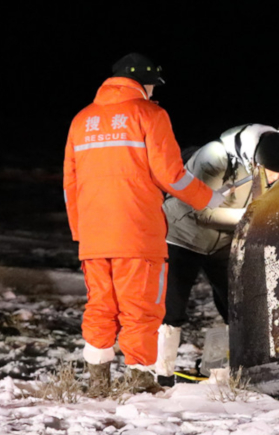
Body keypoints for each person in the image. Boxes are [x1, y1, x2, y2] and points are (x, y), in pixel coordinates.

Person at [63, 52, 224, 395]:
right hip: (137, 232)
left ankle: (98, 384)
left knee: (100, 307)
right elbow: (172, 176)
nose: (154, 90)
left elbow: (69, 184)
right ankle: (138, 382)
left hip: (94, 236)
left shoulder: (82, 120)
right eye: (153, 85)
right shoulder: (150, 114)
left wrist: (81, 232)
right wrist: (209, 199)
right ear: (144, 83)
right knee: (140, 308)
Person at [157, 125, 279, 384]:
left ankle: (214, 368)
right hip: (182, 235)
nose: (276, 177)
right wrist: (253, 217)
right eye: (272, 171)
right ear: (256, 158)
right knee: (172, 308)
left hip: (222, 241)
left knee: (232, 306)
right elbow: (203, 212)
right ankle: (161, 374)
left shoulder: (274, 159)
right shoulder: (215, 156)